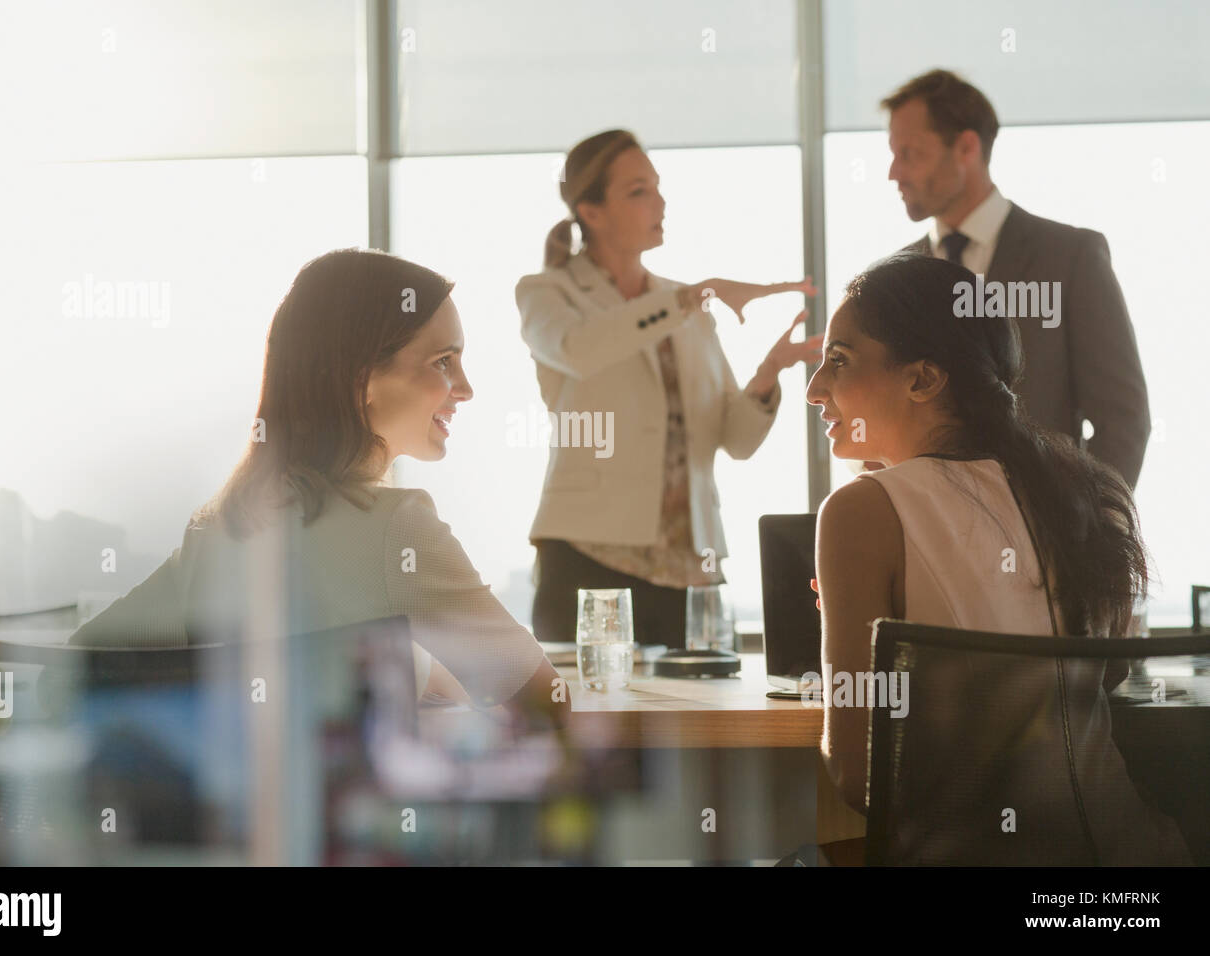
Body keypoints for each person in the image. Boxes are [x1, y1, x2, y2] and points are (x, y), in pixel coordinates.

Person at [69, 248, 568, 730]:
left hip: (246, 810)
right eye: (442, 361)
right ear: (363, 379)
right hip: (360, 811)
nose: (465, 387)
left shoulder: (220, 525)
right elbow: (547, 700)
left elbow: (85, 655)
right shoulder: (398, 526)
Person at [805, 253, 1189, 865]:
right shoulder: (1086, 493)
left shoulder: (861, 512)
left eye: (840, 361)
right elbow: (1104, 677)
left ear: (924, 379)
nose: (814, 388)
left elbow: (858, 776)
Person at [518, 129, 819, 647]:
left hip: (691, 562)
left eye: (658, 187)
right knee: (589, 724)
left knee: (696, 725)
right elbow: (579, 350)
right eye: (639, 191)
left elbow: (737, 441)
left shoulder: (686, 306)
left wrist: (768, 374)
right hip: (589, 556)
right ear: (591, 211)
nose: (660, 201)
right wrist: (690, 299)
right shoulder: (548, 292)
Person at [882, 68, 1150, 489]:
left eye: (910, 154)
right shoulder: (893, 279)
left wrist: (1087, 536)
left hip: (1046, 537)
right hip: (924, 539)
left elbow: (1124, 420)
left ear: (966, 147)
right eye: (892, 153)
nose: (893, 173)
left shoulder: (1070, 257)